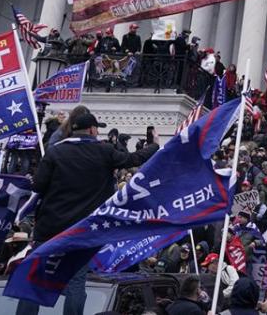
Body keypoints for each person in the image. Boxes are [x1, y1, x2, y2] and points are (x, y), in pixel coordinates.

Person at [15, 111, 159, 315]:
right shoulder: (104, 151)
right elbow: (134, 158)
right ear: (92, 129)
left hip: (50, 226)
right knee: (76, 281)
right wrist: (154, 144)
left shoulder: (55, 151)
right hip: (82, 229)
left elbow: (39, 185)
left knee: (36, 279)